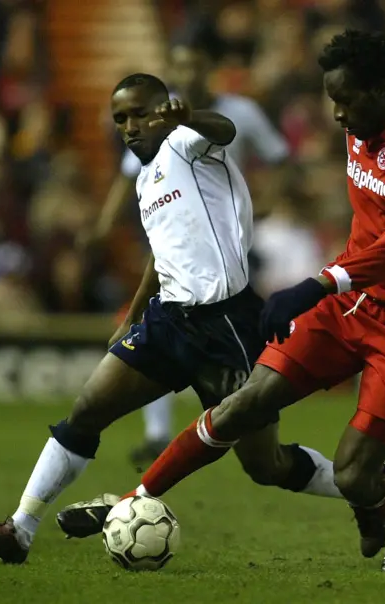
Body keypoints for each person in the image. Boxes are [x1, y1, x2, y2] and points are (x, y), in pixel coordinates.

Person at [56, 31, 385, 573]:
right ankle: (132, 500)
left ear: (384, 90)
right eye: (330, 98)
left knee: (353, 475)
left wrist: (317, 285)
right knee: (244, 403)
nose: (335, 114)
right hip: (353, 302)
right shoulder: (370, 125)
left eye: (346, 100)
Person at [0, 73, 350, 565]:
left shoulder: (189, 143)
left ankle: (360, 489)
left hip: (228, 325)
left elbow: (224, 129)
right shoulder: (145, 178)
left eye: (140, 113)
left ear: (163, 111)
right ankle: (19, 530)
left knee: (264, 464)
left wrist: (190, 118)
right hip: (169, 320)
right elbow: (162, 255)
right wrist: (135, 314)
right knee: (86, 411)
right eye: (121, 118)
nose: (130, 126)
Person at [86, 39, 290, 466]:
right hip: (182, 245)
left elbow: (274, 156)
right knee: (162, 329)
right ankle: (158, 433)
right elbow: (134, 179)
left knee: (260, 454)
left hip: (233, 238)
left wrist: (270, 200)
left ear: (209, 68)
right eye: (179, 65)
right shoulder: (155, 139)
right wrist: (103, 225)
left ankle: (272, 366)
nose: (188, 73)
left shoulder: (232, 114)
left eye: (194, 64)